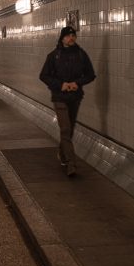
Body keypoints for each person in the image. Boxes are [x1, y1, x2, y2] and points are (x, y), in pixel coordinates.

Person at [39, 26, 95, 177]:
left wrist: (77, 83)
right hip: (59, 97)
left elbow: (91, 75)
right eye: (68, 36)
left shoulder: (81, 55)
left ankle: (62, 153)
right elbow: (44, 75)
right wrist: (61, 85)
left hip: (75, 97)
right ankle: (71, 164)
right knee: (65, 129)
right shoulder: (53, 56)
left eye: (73, 36)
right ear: (62, 38)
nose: (71, 38)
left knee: (69, 129)